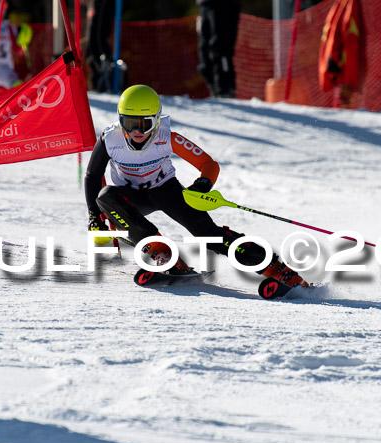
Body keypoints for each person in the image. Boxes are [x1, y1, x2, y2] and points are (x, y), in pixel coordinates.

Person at [86, 84, 309, 290]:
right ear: (120, 120)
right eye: (130, 123)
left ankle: (277, 269)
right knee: (105, 197)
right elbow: (92, 176)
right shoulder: (109, 139)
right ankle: (162, 254)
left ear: (156, 119)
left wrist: (202, 184)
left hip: (166, 191)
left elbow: (208, 164)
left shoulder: (167, 137)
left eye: (144, 123)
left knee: (207, 234)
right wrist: (94, 217)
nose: (137, 131)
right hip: (130, 197)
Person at [197, 0, 240, 98]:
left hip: (225, 6)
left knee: (220, 49)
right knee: (204, 51)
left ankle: (225, 89)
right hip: (205, 5)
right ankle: (214, 89)